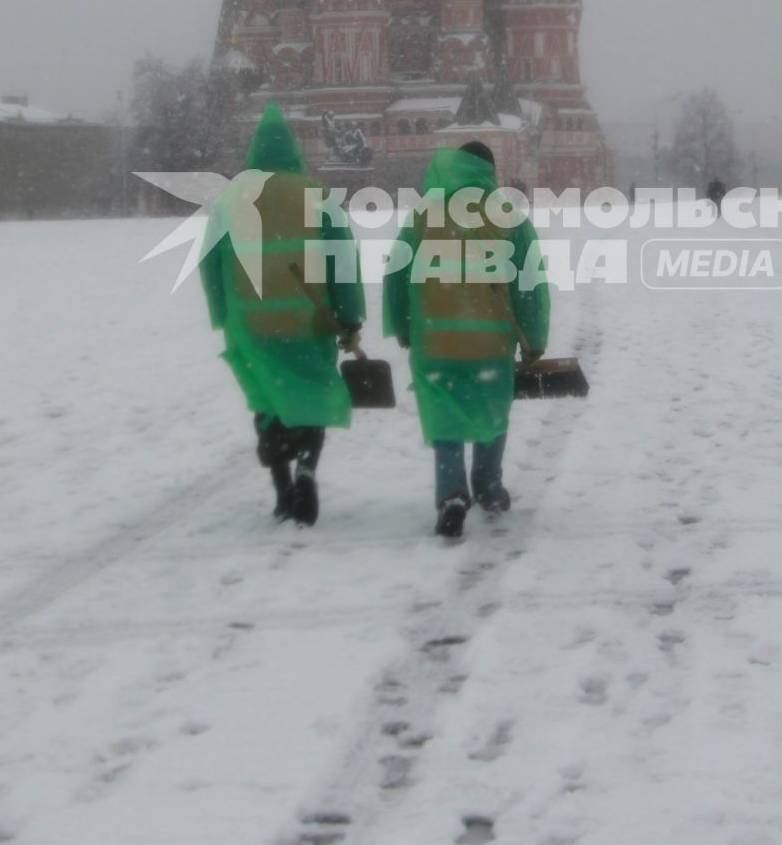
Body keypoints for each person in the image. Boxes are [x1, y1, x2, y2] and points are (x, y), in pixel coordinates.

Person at [198, 103, 366, 526]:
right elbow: (342, 260)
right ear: (293, 154)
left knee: (268, 400)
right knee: (309, 396)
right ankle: (307, 467)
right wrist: (350, 318)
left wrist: (223, 314)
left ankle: (282, 488)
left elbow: (211, 264)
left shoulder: (230, 201)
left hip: (251, 323)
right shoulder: (317, 197)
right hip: (307, 320)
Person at [385, 142, 549, 539]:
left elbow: (397, 275)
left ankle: (452, 494)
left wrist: (404, 328)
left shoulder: (423, 217)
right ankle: (489, 486)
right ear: (488, 173)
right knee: (492, 409)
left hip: (436, 341)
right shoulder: (509, 217)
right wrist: (534, 339)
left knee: (445, 415)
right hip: (490, 342)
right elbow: (530, 284)